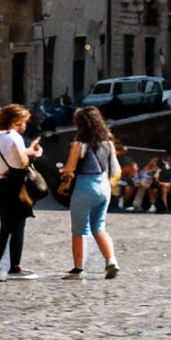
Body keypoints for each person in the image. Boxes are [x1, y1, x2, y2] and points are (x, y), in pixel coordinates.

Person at [59, 105, 122, 278]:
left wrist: (63, 172)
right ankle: (111, 261)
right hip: (103, 187)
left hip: (84, 187)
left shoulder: (78, 144)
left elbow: (70, 168)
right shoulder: (108, 143)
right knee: (99, 227)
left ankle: (78, 268)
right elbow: (115, 170)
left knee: (79, 231)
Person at [0, 104, 41, 278]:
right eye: (24, 121)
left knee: (11, 225)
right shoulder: (14, 137)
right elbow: (21, 162)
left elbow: (9, 154)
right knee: (12, 226)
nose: (25, 125)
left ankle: (12, 265)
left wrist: (29, 150)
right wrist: (34, 155)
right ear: (16, 121)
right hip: (12, 185)